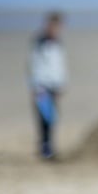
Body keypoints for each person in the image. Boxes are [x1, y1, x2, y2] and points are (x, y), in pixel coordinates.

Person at [27, 11, 68, 160]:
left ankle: (50, 146)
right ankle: (45, 148)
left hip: (54, 86)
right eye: (52, 26)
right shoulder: (40, 44)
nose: (55, 29)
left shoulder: (58, 44)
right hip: (42, 86)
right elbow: (33, 66)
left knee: (53, 118)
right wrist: (35, 86)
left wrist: (62, 84)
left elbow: (59, 67)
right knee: (43, 119)